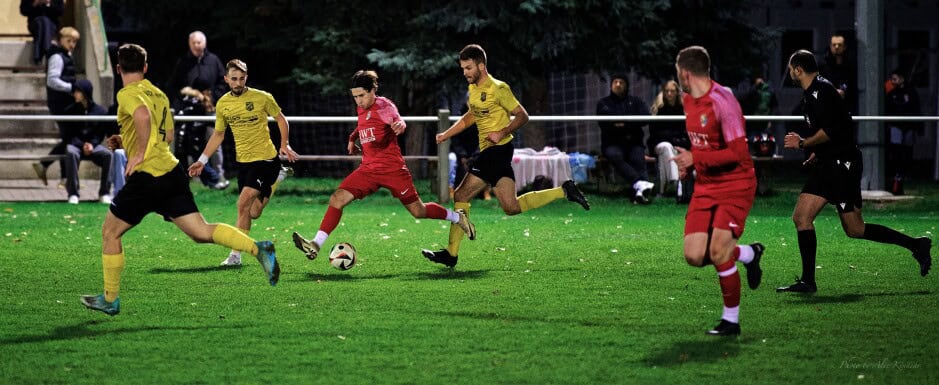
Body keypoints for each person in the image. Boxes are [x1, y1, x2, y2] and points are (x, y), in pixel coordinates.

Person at [80, 44, 279, 316]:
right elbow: (167, 136)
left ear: (118, 69)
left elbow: (141, 116)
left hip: (147, 176)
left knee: (109, 233)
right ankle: (258, 249)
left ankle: (110, 298)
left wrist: (136, 154)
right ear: (146, 67)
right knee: (201, 232)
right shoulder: (159, 94)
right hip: (171, 173)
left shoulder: (127, 93)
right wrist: (126, 141)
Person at [421, 44, 590, 268]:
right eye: (463, 68)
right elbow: (470, 117)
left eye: (468, 68)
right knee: (511, 207)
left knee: (461, 193)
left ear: (481, 66)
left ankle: (451, 254)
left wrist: (502, 131)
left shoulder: (499, 88)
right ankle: (564, 190)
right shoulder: (473, 89)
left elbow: (522, 116)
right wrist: (446, 134)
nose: (465, 73)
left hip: (497, 149)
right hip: (495, 151)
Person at [777, 50, 932, 294]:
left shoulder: (823, 91)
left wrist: (803, 143)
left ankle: (917, 245)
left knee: (854, 228)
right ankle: (808, 281)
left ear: (798, 69)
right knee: (802, 217)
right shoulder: (813, 93)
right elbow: (837, 128)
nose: (789, 73)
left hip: (842, 166)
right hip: (829, 164)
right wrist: (816, 153)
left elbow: (830, 130)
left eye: (790, 68)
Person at [291, 70, 475, 261]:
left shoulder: (384, 106)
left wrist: (400, 125)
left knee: (418, 211)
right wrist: (352, 138)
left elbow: (397, 121)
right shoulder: (362, 107)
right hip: (368, 170)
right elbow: (363, 125)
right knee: (337, 198)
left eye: (362, 95)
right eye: (355, 97)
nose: (358, 101)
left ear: (372, 91)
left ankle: (457, 218)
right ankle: (315, 245)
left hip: (393, 170)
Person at [671, 46, 765, 336]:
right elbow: (704, 144)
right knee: (694, 255)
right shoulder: (688, 101)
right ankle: (749, 254)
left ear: (685, 73)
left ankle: (731, 321)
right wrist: (691, 164)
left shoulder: (723, 101)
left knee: (717, 250)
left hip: (736, 185)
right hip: (706, 185)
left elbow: (737, 153)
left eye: (678, 74)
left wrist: (694, 159)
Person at [189, 59, 298, 266]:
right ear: (226, 79)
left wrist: (285, 144)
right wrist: (202, 161)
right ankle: (278, 178)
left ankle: (235, 256)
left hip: (266, 159)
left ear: (246, 77)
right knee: (253, 212)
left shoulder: (262, 97)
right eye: (234, 79)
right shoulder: (223, 104)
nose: (238, 83)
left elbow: (282, 119)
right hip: (245, 163)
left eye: (241, 78)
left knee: (242, 204)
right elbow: (218, 134)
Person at [169, 31, 228, 181]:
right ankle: (191, 177)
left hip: (210, 108)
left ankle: (218, 175)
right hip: (188, 110)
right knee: (187, 143)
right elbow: (175, 86)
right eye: (194, 43)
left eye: (199, 42)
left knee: (214, 139)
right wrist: (189, 95)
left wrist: (211, 97)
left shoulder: (214, 60)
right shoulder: (182, 62)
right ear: (190, 44)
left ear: (205, 43)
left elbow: (223, 83)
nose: (197, 45)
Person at [596, 73, 655, 204]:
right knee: (615, 155)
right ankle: (639, 183)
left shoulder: (636, 101)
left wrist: (625, 124)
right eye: (615, 82)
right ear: (611, 85)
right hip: (612, 143)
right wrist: (628, 123)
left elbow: (645, 118)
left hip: (633, 142)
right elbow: (605, 123)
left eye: (621, 82)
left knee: (637, 158)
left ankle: (639, 194)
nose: (618, 85)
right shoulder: (603, 103)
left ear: (626, 85)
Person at [32, 26, 79, 186]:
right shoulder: (57, 57)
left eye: (74, 42)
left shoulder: (65, 55)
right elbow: (52, 80)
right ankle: (51, 169)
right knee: (70, 139)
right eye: (69, 41)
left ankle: (63, 177)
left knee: (68, 139)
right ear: (61, 40)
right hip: (60, 103)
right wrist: (71, 88)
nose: (72, 44)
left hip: (66, 102)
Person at [61, 79, 112, 204]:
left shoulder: (100, 112)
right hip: (76, 145)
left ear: (85, 93)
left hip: (92, 146)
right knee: (71, 152)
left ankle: (104, 193)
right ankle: (73, 194)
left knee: (108, 155)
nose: (74, 94)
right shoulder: (69, 111)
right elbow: (67, 134)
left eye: (77, 91)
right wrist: (81, 144)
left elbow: (100, 133)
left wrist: (92, 144)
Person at [176, 82, 229, 190]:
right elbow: (183, 91)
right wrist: (197, 95)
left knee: (199, 159)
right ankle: (212, 182)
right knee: (191, 159)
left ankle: (214, 181)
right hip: (189, 136)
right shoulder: (192, 102)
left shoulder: (208, 104)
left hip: (197, 138)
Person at [648, 80, 689, 200]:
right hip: (659, 144)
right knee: (666, 146)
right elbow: (655, 133)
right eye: (667, 91)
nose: (669, 94)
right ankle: (677, 182)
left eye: (672, 91)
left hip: (677, 143)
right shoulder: (658, 109)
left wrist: (676, 140)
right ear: (663, 92)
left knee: (668, 151)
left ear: (677, 92)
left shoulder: (683, 109)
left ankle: (663, 190)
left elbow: (686, 132)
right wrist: (673, 138)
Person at [884, 69, 921, 194]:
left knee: (907, 151)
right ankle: (896, 176)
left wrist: (918, 127)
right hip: (896, 126)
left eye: (895, 79)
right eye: (892, 79)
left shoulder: (911, 93)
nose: (893, 82)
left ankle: (905, 175)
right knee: (896, 151)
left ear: (901, 78)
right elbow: (888, 110)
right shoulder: (891, 94)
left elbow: (916, 109)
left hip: (909, 127)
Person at [819, 34, 858, 113]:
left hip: (846, 106)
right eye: (834, 45)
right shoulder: (822, 66)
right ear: (830, 46)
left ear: (844, 47)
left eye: (839, 45)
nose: (836, 47)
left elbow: (854, 87)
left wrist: (844, 92)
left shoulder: (851, 67)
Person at [19, 0, 64, 65]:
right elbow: (23, 11)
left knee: (44, 21)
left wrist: (49, 3)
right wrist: (35, 3)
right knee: (42, 21)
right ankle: (47, 51)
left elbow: (60, 11)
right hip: (34, 24)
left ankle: (37, 57)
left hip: (52, 25)